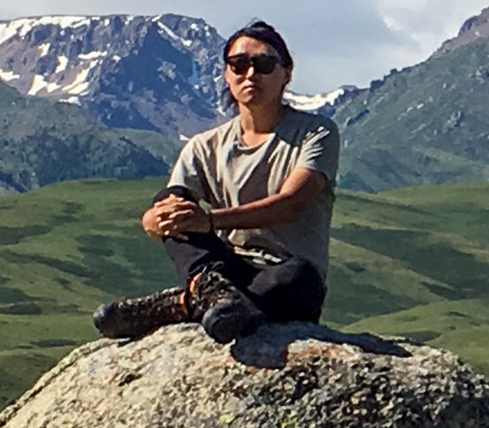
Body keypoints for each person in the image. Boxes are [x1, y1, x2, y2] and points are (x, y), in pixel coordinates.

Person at [93, 20, 339, 343]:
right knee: (178, 215)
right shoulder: (204, 146)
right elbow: (167, 207)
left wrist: (208, 220)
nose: (250, 74)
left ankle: (184, 303)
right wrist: (158, 220)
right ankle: (210, 294)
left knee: (298, 280)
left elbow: (293, 203)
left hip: (284, 272)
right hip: (224, 267)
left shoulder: (316, 132)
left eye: (263, 64)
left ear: (286, 73)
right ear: (226, 74)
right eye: (239, 65)